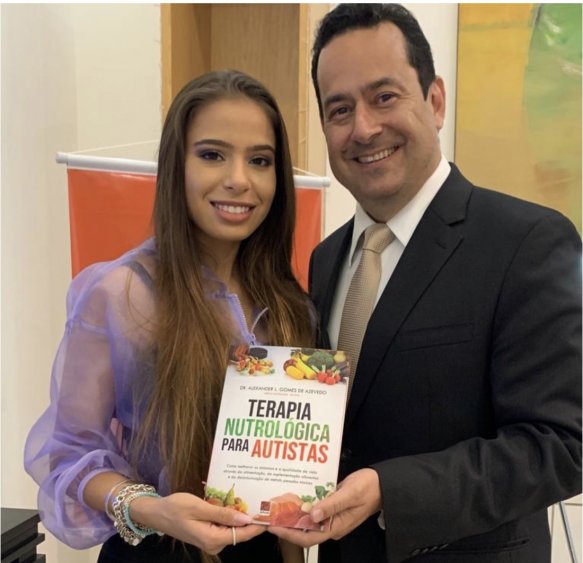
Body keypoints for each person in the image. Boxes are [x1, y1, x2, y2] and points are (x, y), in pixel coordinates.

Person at [269, 4, 582, 563]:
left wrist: (392, 491)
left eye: (385, 97)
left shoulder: (528, 242)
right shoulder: (325, 258)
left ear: (435, 101)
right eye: (340, 109)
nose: (364, 128)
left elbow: (562, 446)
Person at [24, 70, 314, 563]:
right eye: (212, 154)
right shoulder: (119, 293)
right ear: (175, 164)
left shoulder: (290, 303)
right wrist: (153, 510)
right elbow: (69, 455)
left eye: (260, 160)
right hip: (158, 551)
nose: (239, 179)